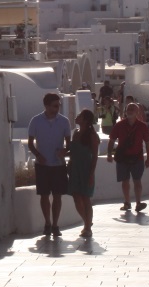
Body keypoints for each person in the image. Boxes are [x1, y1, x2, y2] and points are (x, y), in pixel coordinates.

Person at [27, 93, 73, 237]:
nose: (57, 108)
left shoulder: (64, 121)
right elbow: (30, 143)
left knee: (58, 196)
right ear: (46, 106)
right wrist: (38, 155)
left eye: (58, 105)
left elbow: (69, 143)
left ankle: (55, 224)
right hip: (43, 165)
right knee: (44, 195)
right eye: (54, 106)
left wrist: (64, 151)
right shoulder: (36, 121)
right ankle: (47, 222)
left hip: (58, 164)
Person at [107, 102, 149, 212]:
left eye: (133, 109)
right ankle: (127, 202)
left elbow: (147, 142)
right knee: (125, 181)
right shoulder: (119, 125)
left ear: (137, 112)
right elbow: (112, 140)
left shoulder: (142, 126)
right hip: (123, 158)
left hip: (137, 158)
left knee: (137, 181)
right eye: (128, 108)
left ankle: (138, 203)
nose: (130, 110)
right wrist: (109, 154)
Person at [67, 109, 100, 238]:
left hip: (86, 169)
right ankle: (87, 221)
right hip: (74, 169)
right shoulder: (76, 133)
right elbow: (73, 151)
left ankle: (87, 227)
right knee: (76, 197)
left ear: (85, 119)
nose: (77, 117)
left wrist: (91, 174)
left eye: (80, 115)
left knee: (85, 198)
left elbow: (95, 156)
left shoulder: (92, 135)